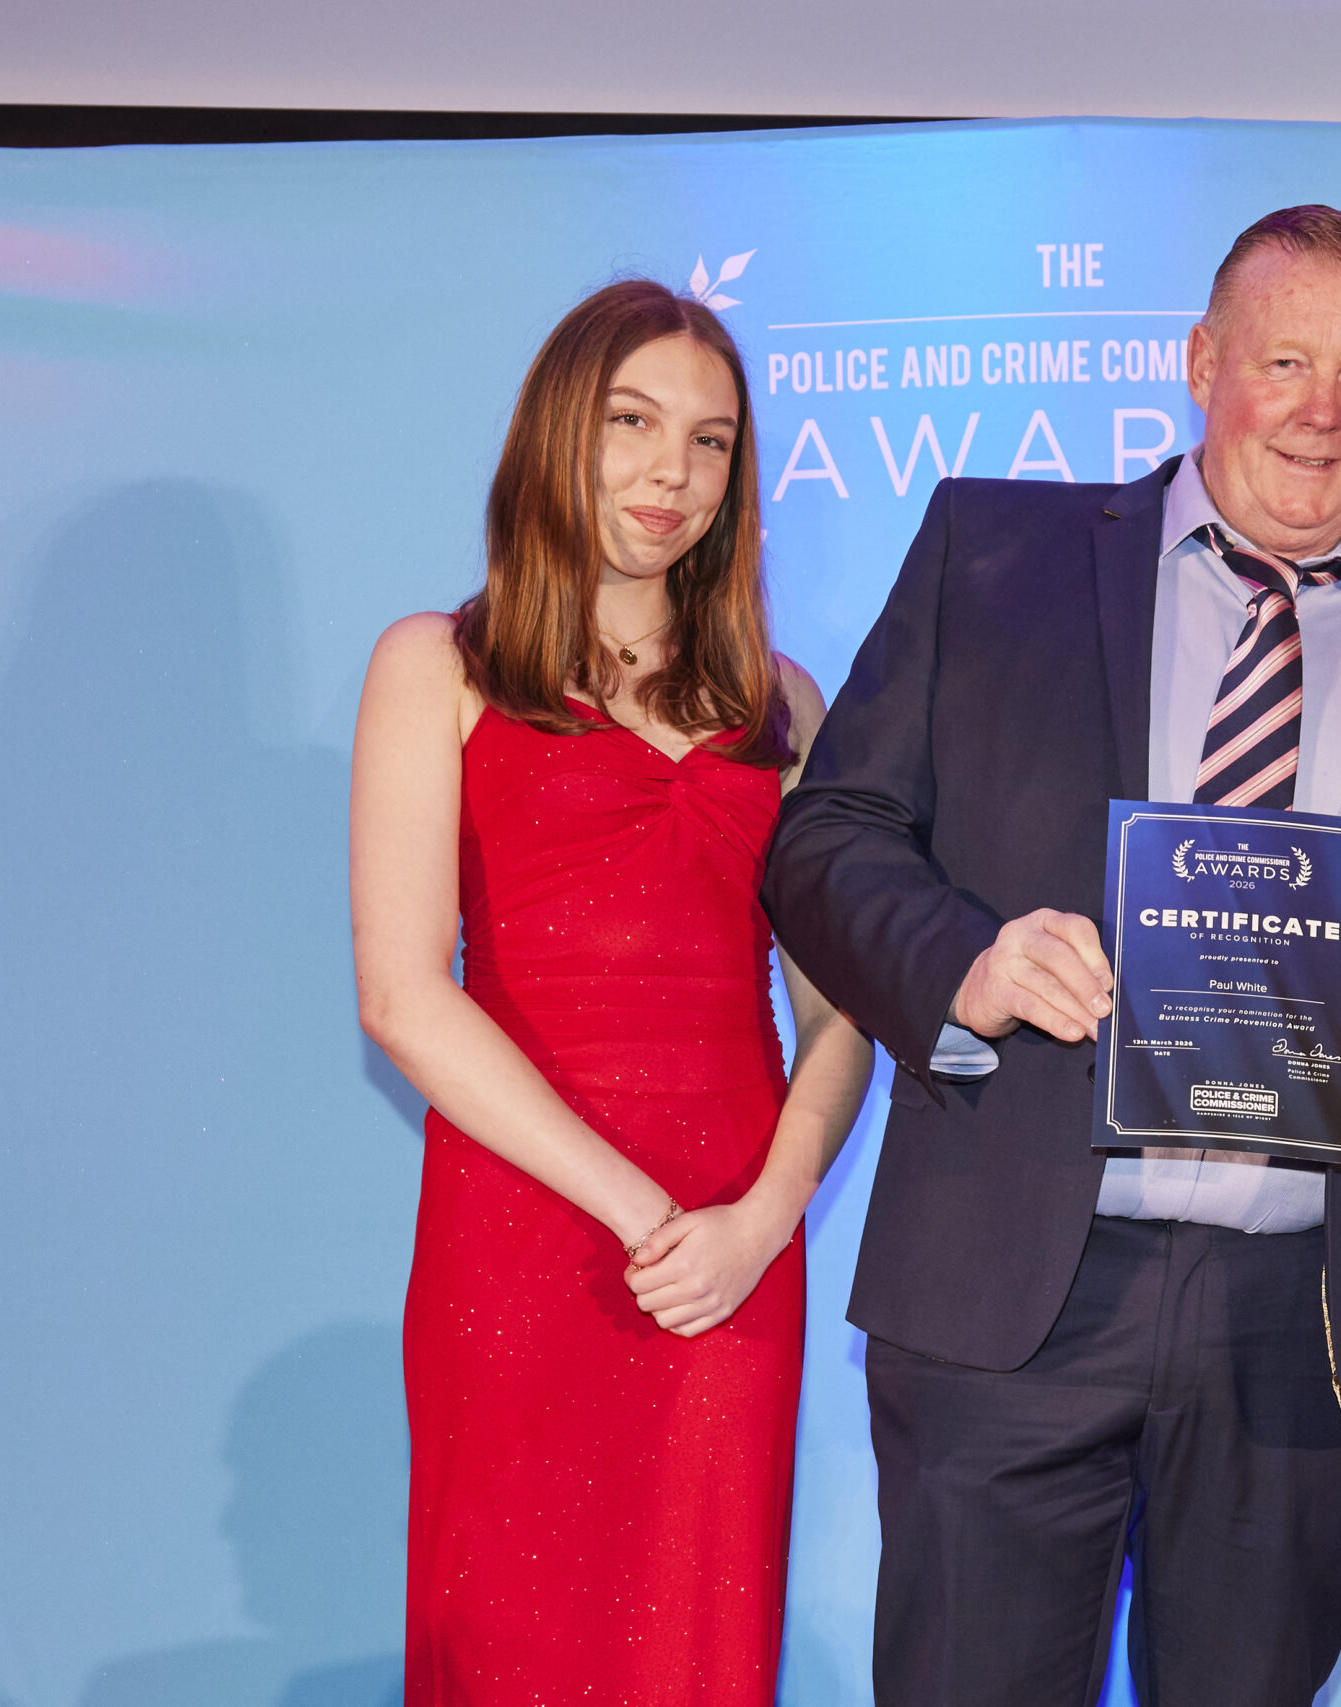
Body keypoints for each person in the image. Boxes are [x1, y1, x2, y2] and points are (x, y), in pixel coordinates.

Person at [763, 204, 1341, 1705]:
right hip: (1011, 1291)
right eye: (1283, 361)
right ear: (1204, 364)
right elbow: (826, 839)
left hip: (1300, 1321)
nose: (1321, 411)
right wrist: (966, 967)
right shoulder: (992, 554)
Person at [350, 279, 874, 1705]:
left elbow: (841, 1017)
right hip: (528, 1233)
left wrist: (763, 1219)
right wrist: (644, 1214)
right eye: (632, 423)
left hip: (734, 1248)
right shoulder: (436, 666)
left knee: (697, 1650)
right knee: (515, 1636)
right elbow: (401, 996)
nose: (671, 473)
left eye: (711, 442)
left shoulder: (786, 705)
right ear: (558, 432)